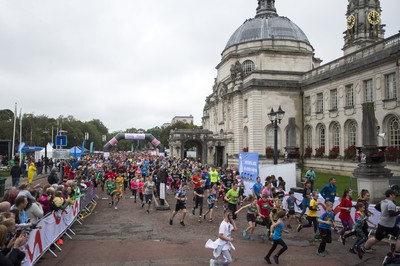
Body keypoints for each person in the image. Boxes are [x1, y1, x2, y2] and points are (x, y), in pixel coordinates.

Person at [357, 189, 400, 260]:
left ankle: (397, 252)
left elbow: (376, 207)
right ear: (390, 195)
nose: (396, 196)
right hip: (386, 226)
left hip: (390, 225)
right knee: (376, 239)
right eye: (395, 195)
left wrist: (384, 212)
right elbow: (391, 214)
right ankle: (362, 249)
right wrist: (399, 211)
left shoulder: (383, 201)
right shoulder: (391, 204)